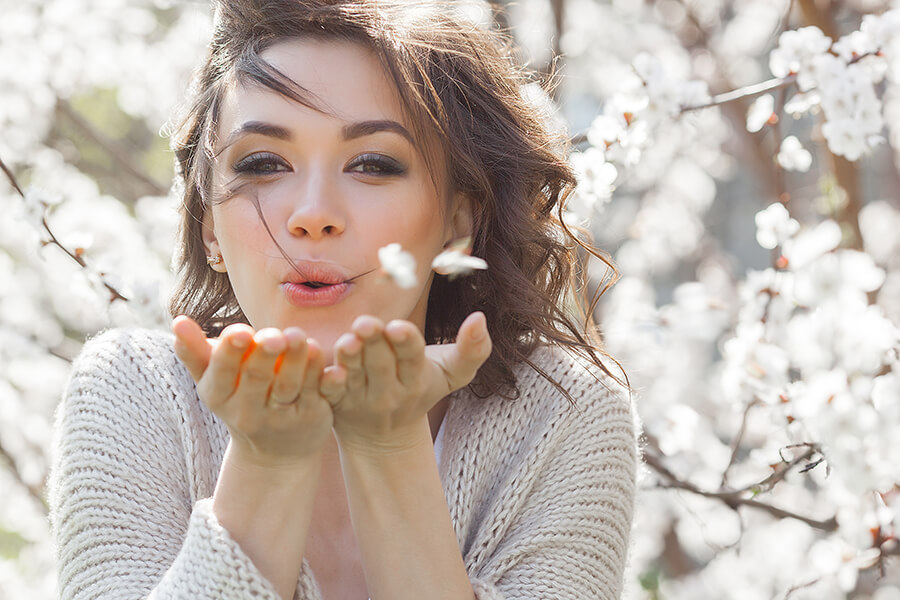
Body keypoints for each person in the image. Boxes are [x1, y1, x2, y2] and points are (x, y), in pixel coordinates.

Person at [48, 0, 639, 598]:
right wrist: (266, 462)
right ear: (208, 227)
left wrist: (389, 444)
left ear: (458, 223)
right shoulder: (135, 392)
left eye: (373, 165)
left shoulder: (564, 415)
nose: (313, 216)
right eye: (263, 163)